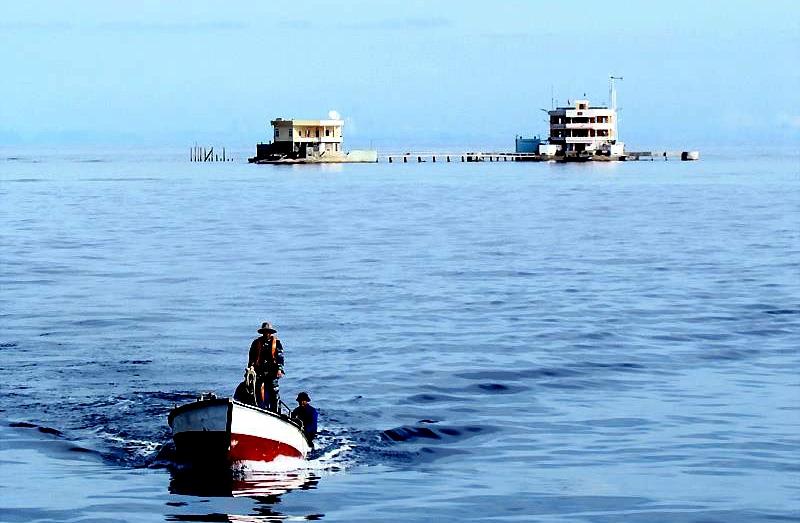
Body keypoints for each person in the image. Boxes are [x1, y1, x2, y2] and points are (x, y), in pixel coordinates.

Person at [247, 321, 284, 412]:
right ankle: (259, 408)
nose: (266, 334)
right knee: (257, 390)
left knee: (274, 392)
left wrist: (279, 369)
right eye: (265, 332)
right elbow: (251, 357)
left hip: (272, 371)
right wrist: (251, 367)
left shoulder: (277, 343)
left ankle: (275, 411)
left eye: (268, 332)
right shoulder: (256, 343)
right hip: (259, 371)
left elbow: (280, 357)